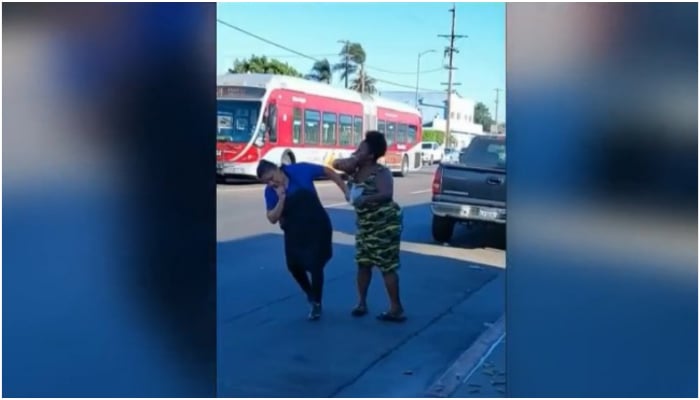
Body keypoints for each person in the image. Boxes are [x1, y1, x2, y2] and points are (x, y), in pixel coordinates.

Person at [257, 160, 348, 320]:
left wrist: (345, 189)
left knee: (315, 264)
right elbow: (272, 218)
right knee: (293, 265)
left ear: (278, 169)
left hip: (316, 226)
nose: (271, 183)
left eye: (271, 178)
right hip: (294, 231)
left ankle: (317, 304)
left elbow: (329, 171)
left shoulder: (300, 170)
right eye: (267, 182)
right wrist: (282, 199)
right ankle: (310, 294)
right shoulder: (271, 192)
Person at [333, 131, 406, 322]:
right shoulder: (355, 170)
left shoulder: (381, 173)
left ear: (371, 155)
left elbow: (386, 194)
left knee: (386, 266)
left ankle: (395, 308)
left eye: (362, 148)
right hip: (365, 226)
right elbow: (334, 164)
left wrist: (366, 198)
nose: (358, 150)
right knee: (363, 264)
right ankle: (361, 303)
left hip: (384, 226)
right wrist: (353, 158)